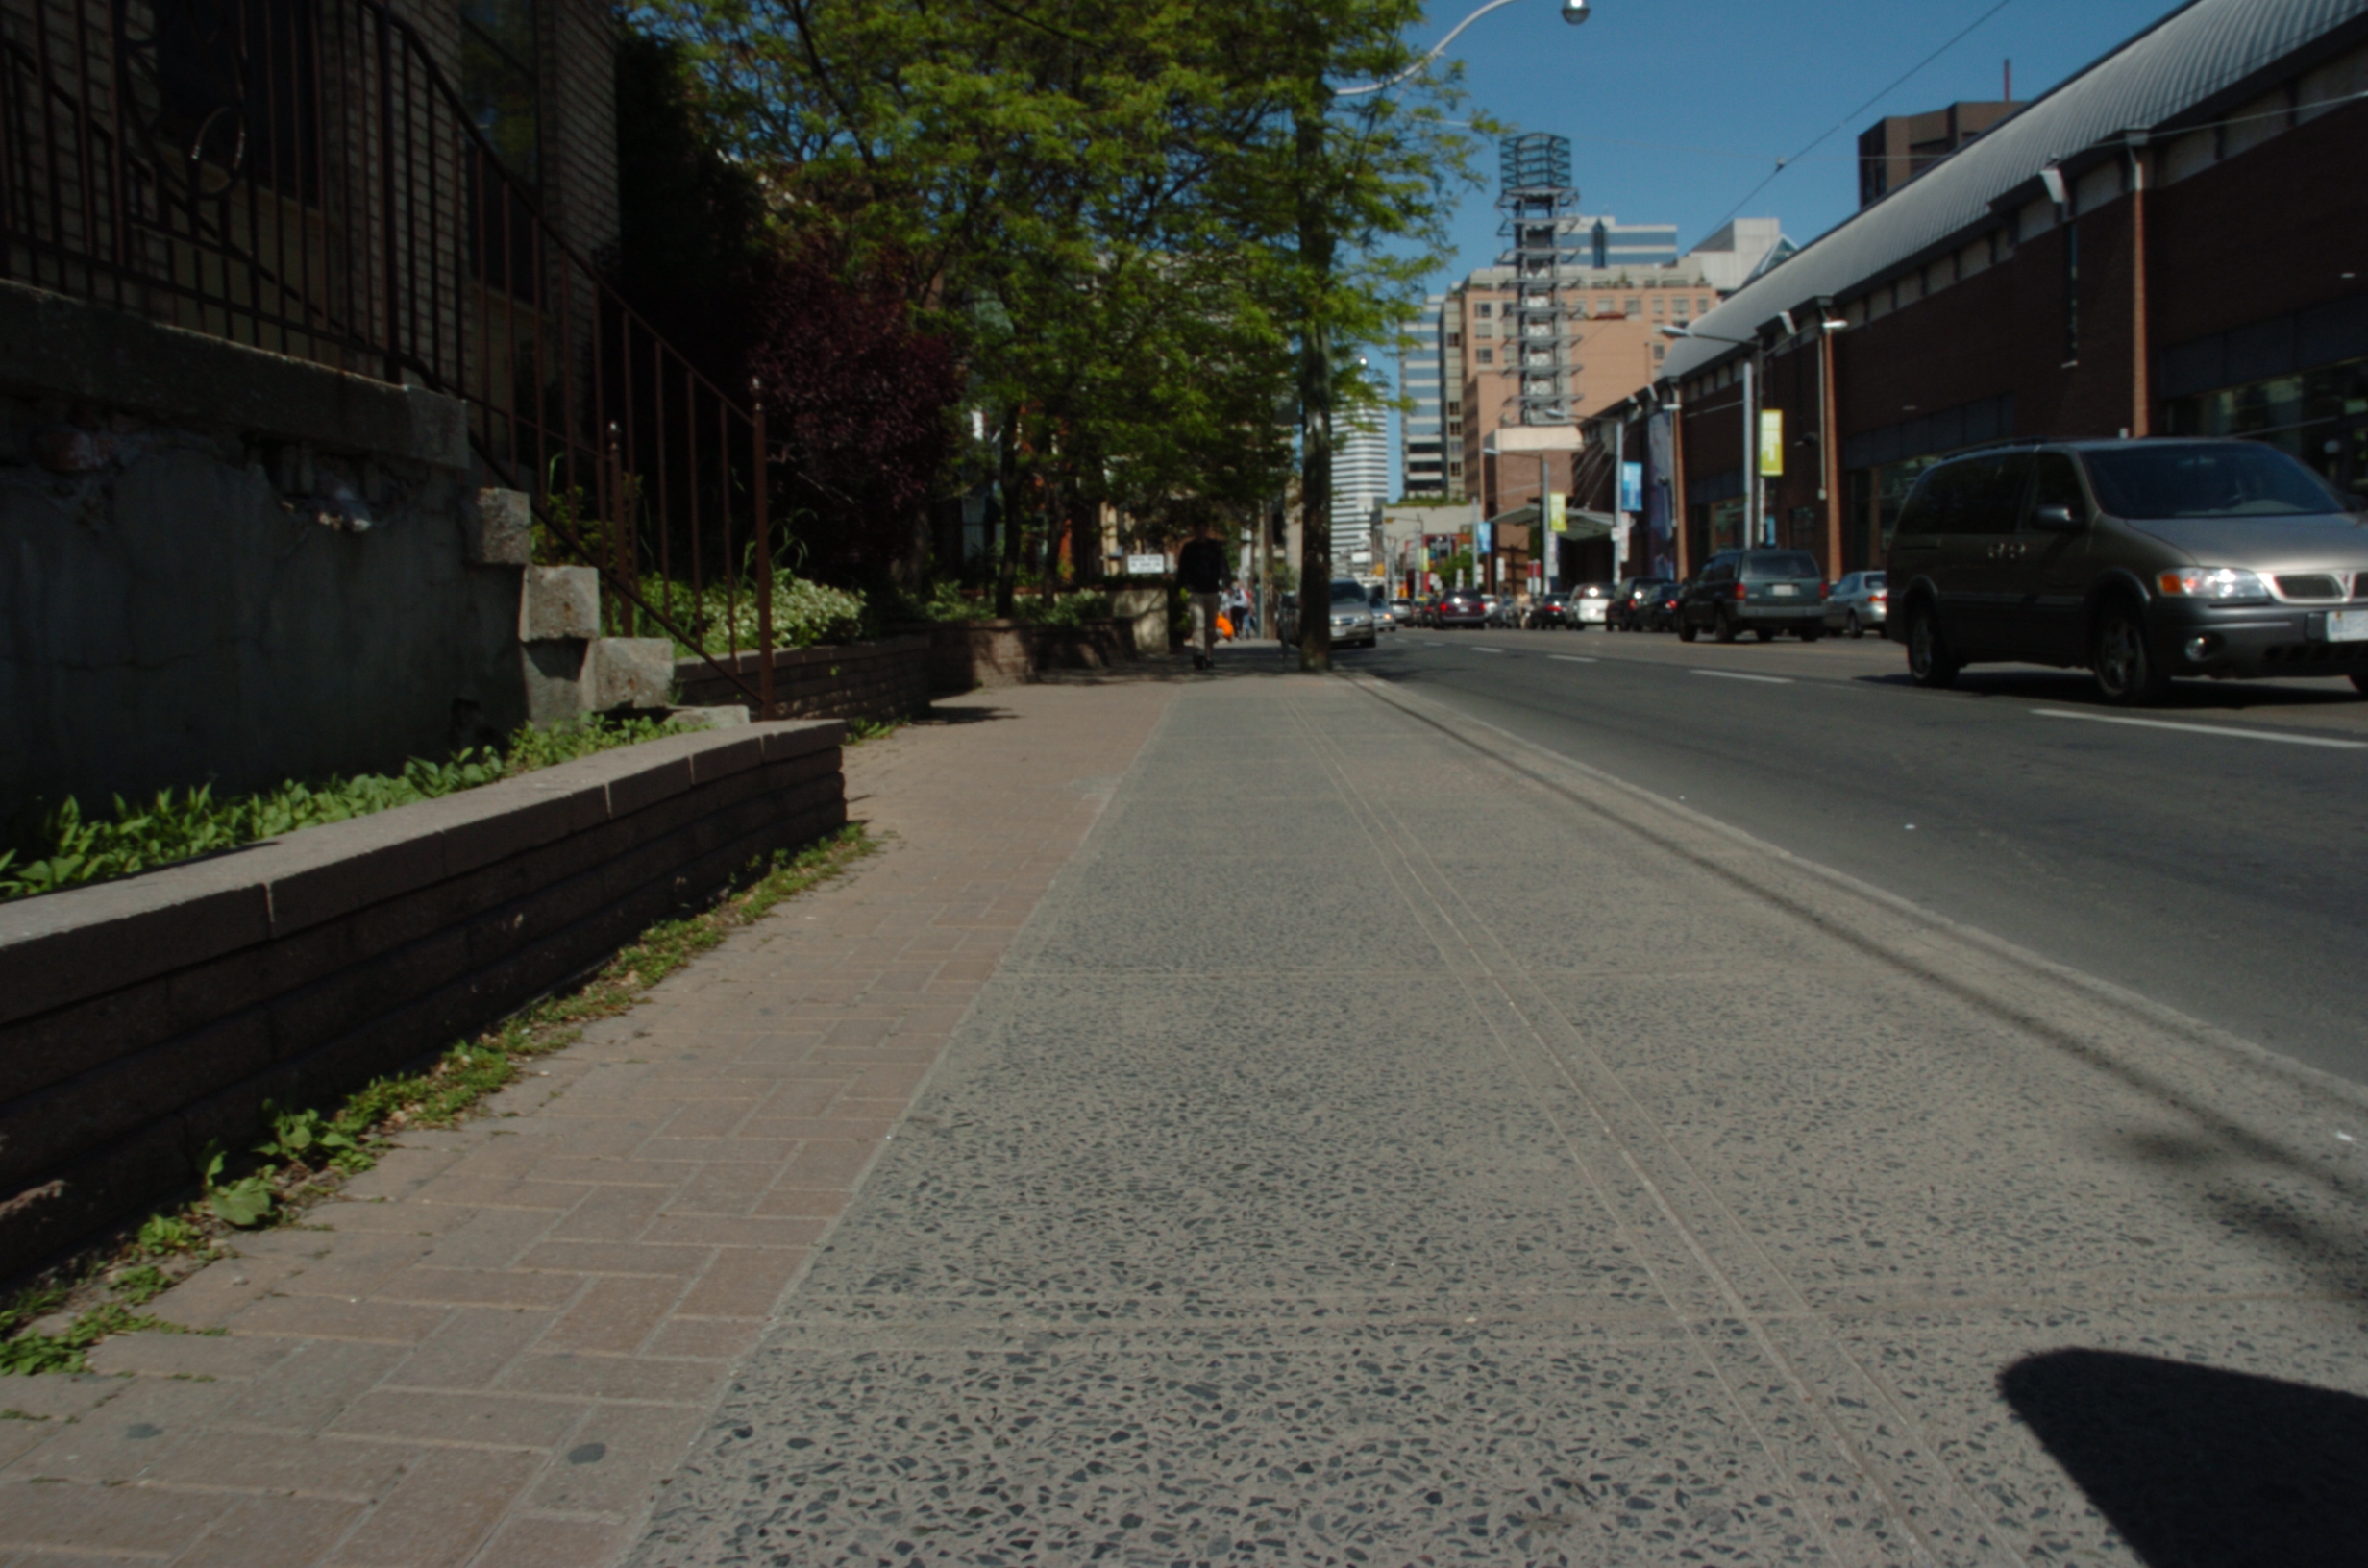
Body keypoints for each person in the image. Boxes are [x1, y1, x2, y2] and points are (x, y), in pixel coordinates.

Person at [1175, 520, 1230, 670]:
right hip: (1195, 591)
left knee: (1210, 627)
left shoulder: (1215, 547)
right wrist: (1178, 589)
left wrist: (1227, 583)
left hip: (1212, 590)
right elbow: (1182, 569)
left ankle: (1209, 655)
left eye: (1203, 529)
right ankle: (1199, 652)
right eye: (1198, 529)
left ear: (1207, 530)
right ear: (1195, 531)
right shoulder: (1189, 548)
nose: (1201, 532)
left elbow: (1223, 565)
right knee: (1198, 623)